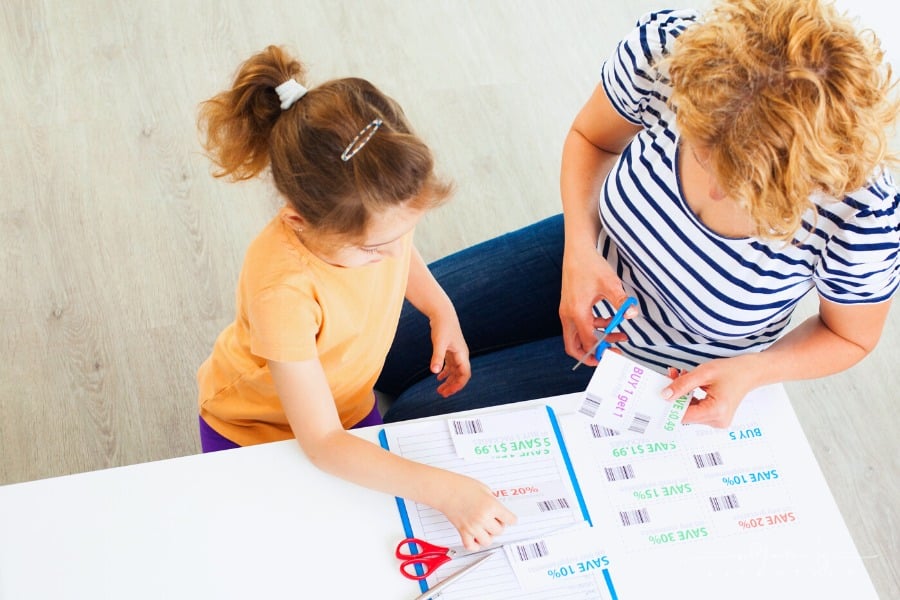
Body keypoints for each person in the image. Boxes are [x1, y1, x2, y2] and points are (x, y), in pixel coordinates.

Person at [377, 0, 899, 428]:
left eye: (747, 187)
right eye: (700, 152)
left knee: (418, 415)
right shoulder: (673, 49)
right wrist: (579, 251)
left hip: (666, 360)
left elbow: (850, 336)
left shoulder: (863, 212)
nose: (714, 192)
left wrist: (755, 371)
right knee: (384, 339)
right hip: (593, 245)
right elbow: (590, 137)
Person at [195, 45, 515, 550]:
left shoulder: (379, 215)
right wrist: (449, 493)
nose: (393, 254)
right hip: (254, 428)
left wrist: (439, 307)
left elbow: (399, 248)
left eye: (404, 232)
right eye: (374, 249)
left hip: (346, 406)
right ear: (299, 219)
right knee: (280, 546)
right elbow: (320, 443)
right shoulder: (283, 290)